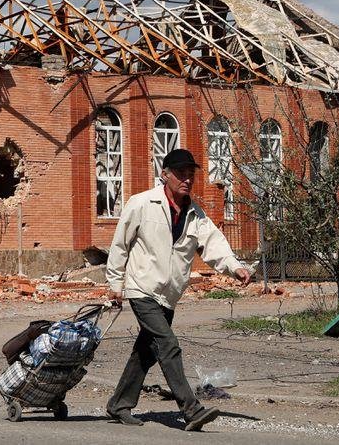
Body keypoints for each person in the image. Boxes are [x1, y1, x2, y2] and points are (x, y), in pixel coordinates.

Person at [105, 148, 251, 431]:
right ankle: (191, 408)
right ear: (165, 175)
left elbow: (214, 244)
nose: (186, 179)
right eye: (181, 173)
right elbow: (120, 245)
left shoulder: (195, 215)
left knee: (146, 352)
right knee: (168, 345)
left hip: (168, 295)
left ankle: (118, 404)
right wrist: (115, 284)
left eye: (190, 174)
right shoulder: (142, 204)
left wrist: (235, 267)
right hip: (141, 288)